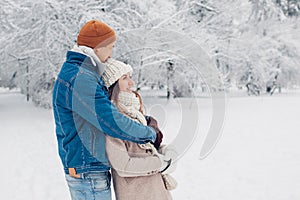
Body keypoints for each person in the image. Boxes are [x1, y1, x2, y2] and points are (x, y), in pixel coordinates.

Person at [52, 20, 164, 200]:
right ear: (98, 47)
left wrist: (144, 119)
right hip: (87, 171)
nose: (111, 54)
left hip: (87, 169)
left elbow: (105, 111)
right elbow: (110, 121)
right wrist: (149, 133)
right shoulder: (80, 77)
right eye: (110, 47)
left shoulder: (80, 73)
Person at [102, 59, 178, 200]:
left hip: (156, 190)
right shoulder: (112, 120)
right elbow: (123, 165)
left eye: (130, 77)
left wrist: (165, 151)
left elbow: (144, 148)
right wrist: (160, 163)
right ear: (112, 85)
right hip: (137, 194)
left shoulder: (135, 112)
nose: (131, 83)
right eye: (125, 78)